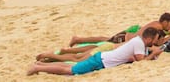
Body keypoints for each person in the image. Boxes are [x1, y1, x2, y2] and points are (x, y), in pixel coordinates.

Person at [27, 27, 162, 75]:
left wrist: (152, 53)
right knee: (69, 70)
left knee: (71, 65)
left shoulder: (140, 42)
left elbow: (136, 57)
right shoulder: (139, 43)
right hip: (102, 60)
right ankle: (37, 67)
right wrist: (154, 54)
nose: (155, 42)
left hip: (103, 59)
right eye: (154, 39)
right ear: (149, 38)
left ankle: (40, 66)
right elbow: (141, 61)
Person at [68, 13, 170, 47]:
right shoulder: (158, 28)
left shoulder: (155, 23)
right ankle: (76, 41)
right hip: (123, 40)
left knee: (105, 39)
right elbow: (159, 42)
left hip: (126, 35)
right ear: (165, 22)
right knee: (101, 45)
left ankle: (78, 39)